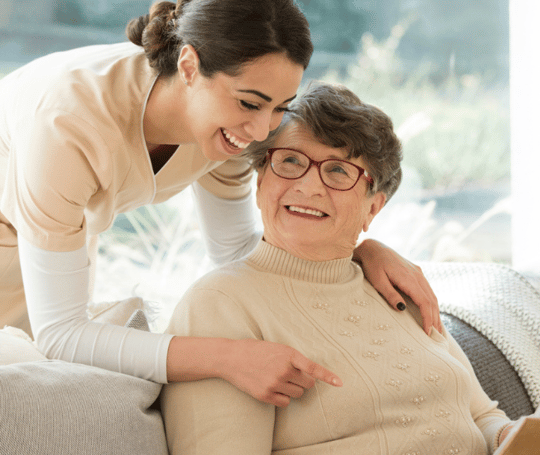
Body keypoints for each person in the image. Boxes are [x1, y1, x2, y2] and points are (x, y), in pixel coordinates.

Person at [0, 0, 440, 407]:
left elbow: (236, 252)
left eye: (279, 108)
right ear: (189, 66)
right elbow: (63, 334)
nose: (262, 131)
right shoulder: (69, 125)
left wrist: (356, 251)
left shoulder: (223, 133)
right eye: (249, 103)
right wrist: (229, 358)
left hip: (49, 241)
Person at [161, 82, 514, 455]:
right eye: (290, 161)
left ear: (372, 208)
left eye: (338, 171)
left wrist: (513, 436)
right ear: (260, 183)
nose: (309, 186)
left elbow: (483, 416)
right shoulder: (219, 304)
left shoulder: (396, 287)